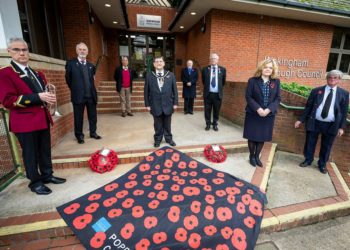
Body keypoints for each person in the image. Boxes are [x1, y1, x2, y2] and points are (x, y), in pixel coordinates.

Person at [0, 38, 66, 195]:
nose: (22, 53)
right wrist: (39, 97)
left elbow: (43, 93)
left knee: (44, 150)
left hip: (41, 119)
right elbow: (8, 101)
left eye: (24, 49)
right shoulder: (5, 73)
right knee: (30, 154)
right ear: (9, 52)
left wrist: (48, 99)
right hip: (25, 122)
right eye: (17, 50)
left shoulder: (37, 73)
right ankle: (35, 183)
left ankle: (47, 175)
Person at [295, 70, 349, 174]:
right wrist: (300, 120)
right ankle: (308, 160)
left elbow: (344, 112)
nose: (332, 79)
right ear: (327, 78)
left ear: (339, 80)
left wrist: (341, 127)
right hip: (315, 122)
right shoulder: (316, 91)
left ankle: (322, 164)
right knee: (310, 142)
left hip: (332, 125)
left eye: (335, 78)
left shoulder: (344, 94)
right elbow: (308, 107)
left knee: (327, 145)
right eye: (330, 77)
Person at [243, 58, 281, 167]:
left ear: (273, 70)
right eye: (266, 67)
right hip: (253, 113)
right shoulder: (252, 80)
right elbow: (248, 96)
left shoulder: (276, 82)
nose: (268, 69)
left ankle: (256, 156)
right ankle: (251, 156)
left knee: (262, 136)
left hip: (268, 115)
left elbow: (278, 98)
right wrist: (258, 109)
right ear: (261, 68)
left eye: (270, 67)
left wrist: (268, 110)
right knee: (252, 136)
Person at [65, 42, 101, 144]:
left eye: (84, 49)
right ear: (77, 51)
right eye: (80, 49)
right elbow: (68, 79)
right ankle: (79, 136)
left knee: (93, 116)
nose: (82, 51)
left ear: (87, 52)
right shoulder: (71, 64)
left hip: (90, 96)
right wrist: (76, 89)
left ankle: (93, 133)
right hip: (78, 96)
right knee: (78, 117)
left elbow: (91, 80)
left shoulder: (91, 66)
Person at [144, 56, 178, 148]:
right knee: (157, 124)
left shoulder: (170, 75)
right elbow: (146, 91)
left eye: (161, 61)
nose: (159, 63)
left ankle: (169, 139)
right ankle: (158, 139)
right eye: (157, 61)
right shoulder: (149, 76)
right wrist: (147, 104)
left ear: (164, 63)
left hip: (168, 104)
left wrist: (175, 103)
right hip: (155, 104)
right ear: (154, 64)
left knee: (167, 124)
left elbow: (175, 90)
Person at [202, 53, 226, 131]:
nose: (213, 60)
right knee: (207, 110)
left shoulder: (222, 69)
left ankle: (215, 124)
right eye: (212, 58)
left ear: (218, 60)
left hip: (217, 95)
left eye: (215, 58)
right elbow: (203, 81)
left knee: (216, 110)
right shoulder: (205, 69)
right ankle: (208, 124)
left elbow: (223, 82)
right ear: (210, 60)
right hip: (208, 94)